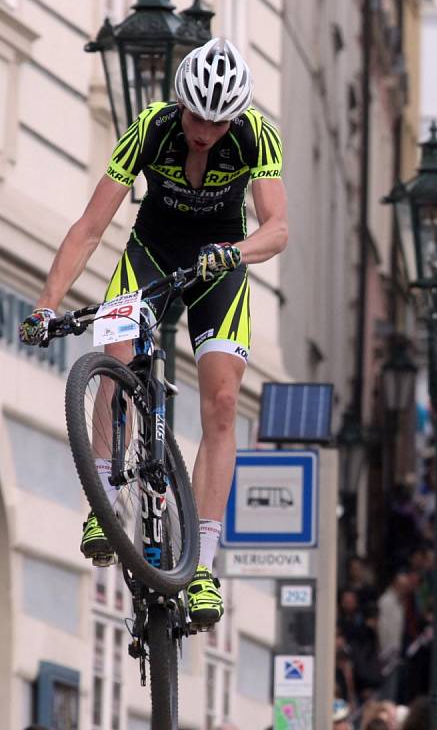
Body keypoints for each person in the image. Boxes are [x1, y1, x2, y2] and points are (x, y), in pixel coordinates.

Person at [18, 38, 288, 627]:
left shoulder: (254, 136)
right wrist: (46, 305)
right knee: (114, 359)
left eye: (218, 122)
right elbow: (91, 227)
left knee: (220, 402)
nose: (205, 133)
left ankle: (205, 569)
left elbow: (278, 230)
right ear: (179, 105)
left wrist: (235, 252)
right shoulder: (150, 128)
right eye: (196, 117)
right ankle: (106, 499)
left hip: (218, 264)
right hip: (151, 253)